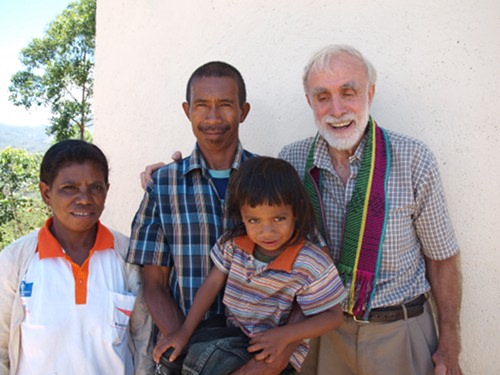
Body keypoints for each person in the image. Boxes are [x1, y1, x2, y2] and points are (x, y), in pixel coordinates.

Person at [278, 44, 463, 374]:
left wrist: (450, 342)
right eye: (322, 97)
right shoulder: (291, 162)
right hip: (320, 336)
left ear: (370, 93)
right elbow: (251, 197)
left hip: (399, 333)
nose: (336, 109)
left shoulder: (412, 159)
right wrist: (168, 172)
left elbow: (441, 258)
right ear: (310, 102)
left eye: (348, 92)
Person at [127, 62, 300, 375]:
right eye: (202, 105)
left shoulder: (271, 180)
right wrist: (194, 352)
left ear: (243, 111)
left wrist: (272, 360)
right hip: (189, 358)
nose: (213, 118)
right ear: (187, 110)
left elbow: (307, 276)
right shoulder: (163, 185)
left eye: (225, 105)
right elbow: (154, 283)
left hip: (263, 357)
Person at [152, 156, 346, 374]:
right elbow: (212, 283)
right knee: (188, 356)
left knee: (205, 362)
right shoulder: (235, 245)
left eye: (279, 219)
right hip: (233, 335)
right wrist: (185, 331)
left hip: (275, 350)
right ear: (241, 216)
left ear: (296, 211)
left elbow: (333, 316)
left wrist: (286, 335)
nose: (267, 232)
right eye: (254, 220)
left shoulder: (310, 262)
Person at [0, 140, 153, 375]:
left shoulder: (128, 256)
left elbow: (144, 343)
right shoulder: (15, 261)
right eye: (69, 188)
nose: (84, 198)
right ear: (46, 193)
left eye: (95, 187)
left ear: (106, 190)